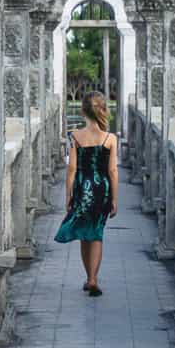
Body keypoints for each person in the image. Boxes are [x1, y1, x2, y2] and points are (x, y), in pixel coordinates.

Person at [54, 91, 118, 296]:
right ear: (102, 110)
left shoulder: (75, 136)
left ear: (83, 110)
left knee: (84, 233)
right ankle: (93, 278)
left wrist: (68, 196)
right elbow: (112, 171)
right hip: (102, 189)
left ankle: (88, 277)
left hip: (83, 187)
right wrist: (115, 199)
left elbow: (71, 169)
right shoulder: (110, 138)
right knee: (97, 232)